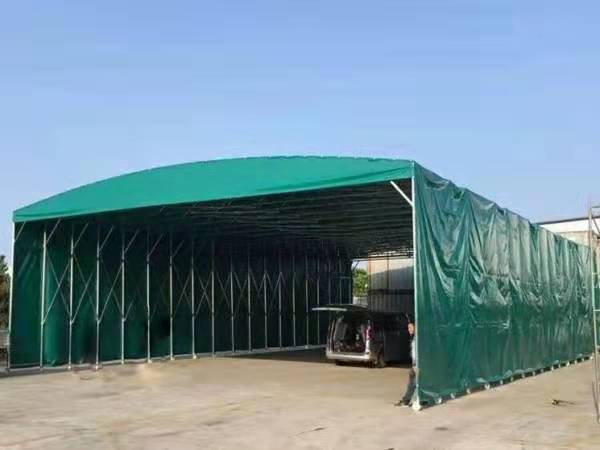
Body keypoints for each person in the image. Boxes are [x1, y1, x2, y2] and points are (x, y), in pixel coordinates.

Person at [396, 319, 416, 407]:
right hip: (414, 364)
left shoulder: (418, 338)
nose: (409, 330)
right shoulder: (413, 338)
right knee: (412, 383)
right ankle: (407, 400)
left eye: (411, 327)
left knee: (413, 383)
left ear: (415, 327)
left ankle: (406, 401)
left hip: (418, 364)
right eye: (408, 328)